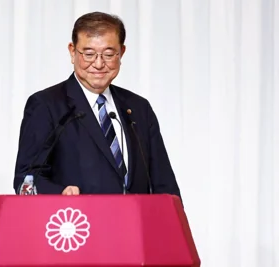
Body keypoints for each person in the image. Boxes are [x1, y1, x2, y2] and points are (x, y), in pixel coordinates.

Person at [14, 11, 181, 198]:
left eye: (109, 54)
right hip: (79, 222)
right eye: (89, 54)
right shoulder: (47, 105)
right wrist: (60, 194)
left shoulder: (138, 108)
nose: (99, 64)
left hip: (135, 225)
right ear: (72, 51)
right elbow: (26, 178)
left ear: (122, 52)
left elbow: (164, 184)